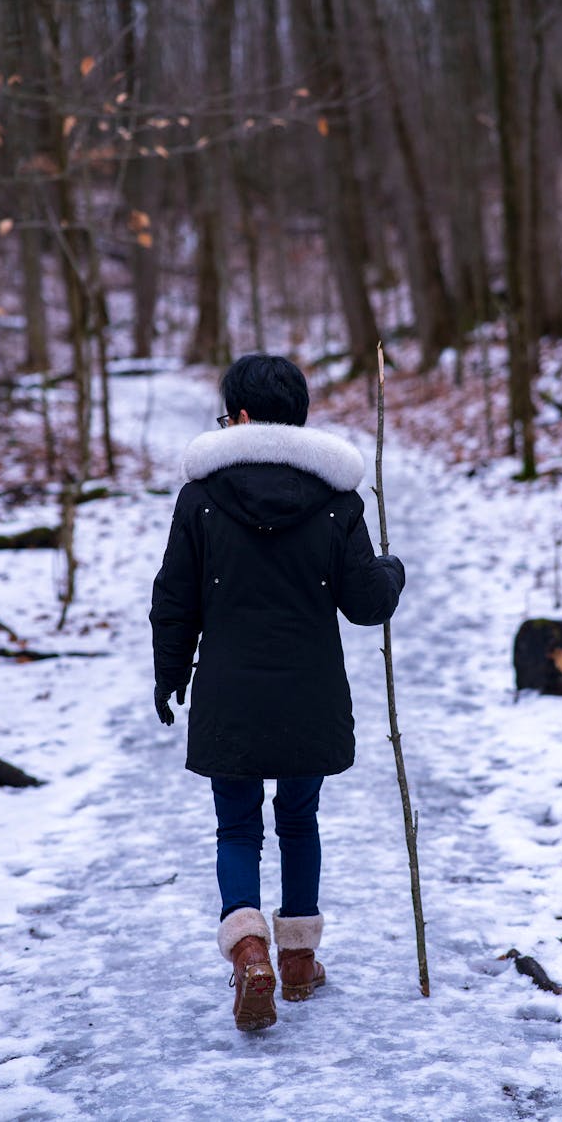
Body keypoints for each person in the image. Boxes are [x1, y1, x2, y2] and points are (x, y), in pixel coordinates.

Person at [150, 354, 405, 1032]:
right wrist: (390, 569)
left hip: (229, 690)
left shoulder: (200, 498)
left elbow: (173, 599)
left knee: (236, 824)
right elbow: (367, 605)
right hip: (309, 691)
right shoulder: (337, 499)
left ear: (237, 415)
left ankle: (251, 953)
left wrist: (169, 672)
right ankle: (297, 963)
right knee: (299, 819)